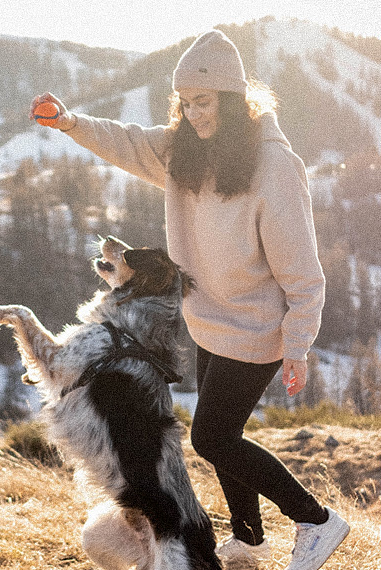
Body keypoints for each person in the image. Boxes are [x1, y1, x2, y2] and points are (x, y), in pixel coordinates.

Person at [30, 30, 350, 570]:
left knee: (213, 438)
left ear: (233, 98)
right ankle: (248, 538)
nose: (195, 113)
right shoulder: (185, 150)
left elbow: (303, 270)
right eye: (186, 102)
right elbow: (129, 140)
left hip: (258, 328)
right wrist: (70, 122)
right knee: (226, 433)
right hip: (207, 322)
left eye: (205, 102)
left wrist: (297, 343)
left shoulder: (274, 168)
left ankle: (316, 522)